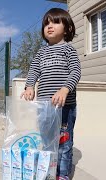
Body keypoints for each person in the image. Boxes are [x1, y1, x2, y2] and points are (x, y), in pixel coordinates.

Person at [20, 8, 81, 180]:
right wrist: (29, 86)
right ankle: (48, 171)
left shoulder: (68, 50)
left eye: (55, 22)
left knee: (64, 143)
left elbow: (76, 71)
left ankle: (62, 175)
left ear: (67, 28)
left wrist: (64, 88)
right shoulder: (41, 52)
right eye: (46, 23)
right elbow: (33, 70)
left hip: (64, 107)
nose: (50, 26)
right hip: (45, 107)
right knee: (47, 141)